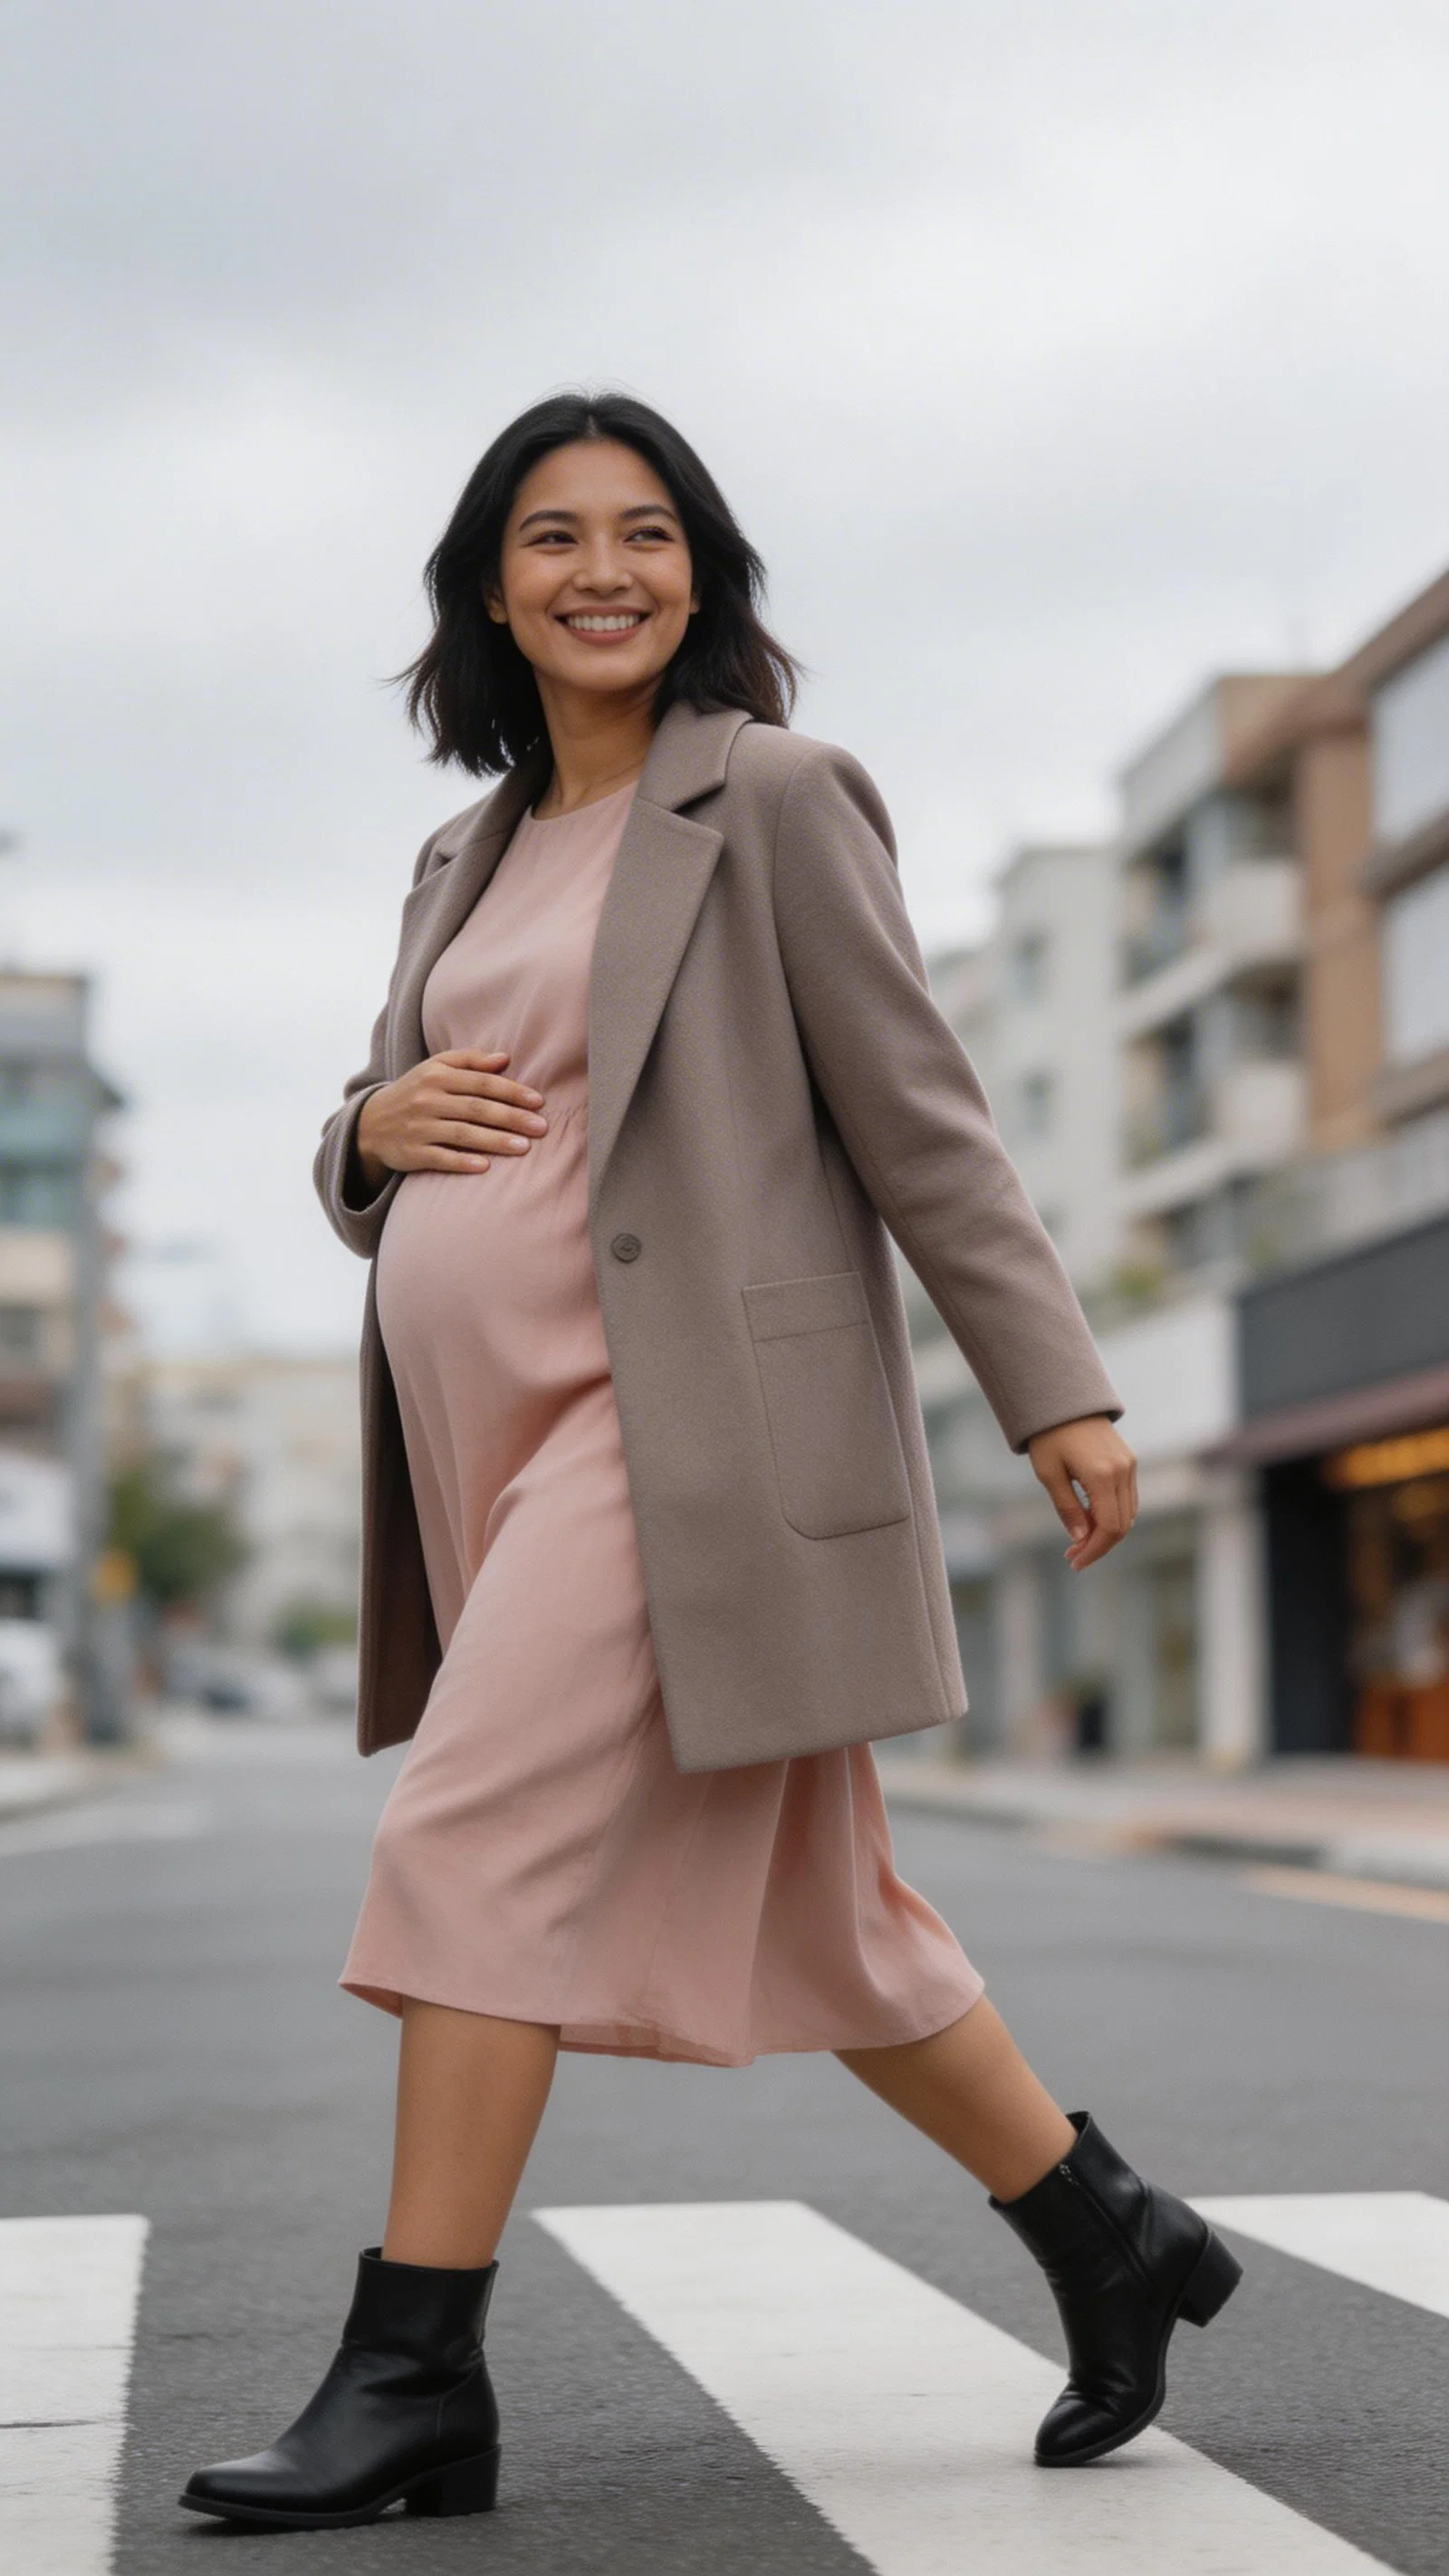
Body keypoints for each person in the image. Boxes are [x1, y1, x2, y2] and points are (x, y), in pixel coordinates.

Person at [181, 392, 1241, 2533]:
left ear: (701, 574)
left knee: (467, 1839)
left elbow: (917, 1111)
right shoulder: (462, 853)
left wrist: (1055, 1387)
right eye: (553, 535)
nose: (603, 570)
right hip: (485, 1448)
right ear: (489, 591)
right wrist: (360, 1135)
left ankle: (414, 2374)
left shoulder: (767, 795)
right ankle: (1110, 2233)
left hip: (681, 1440)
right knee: (832, 1920)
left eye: (646, 532)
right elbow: (390, 1131)